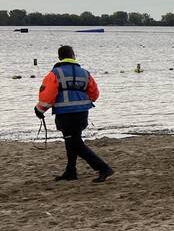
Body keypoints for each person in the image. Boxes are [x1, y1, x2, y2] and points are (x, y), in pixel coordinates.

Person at [34, 45, 114, 183]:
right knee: (71, 141)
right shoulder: (85, 73)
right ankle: (71, 171)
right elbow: (94, 94)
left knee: (75, 143)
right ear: (73, 56)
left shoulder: (54, 74)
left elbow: (48, 96)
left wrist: (39, 110)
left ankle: (103, 168)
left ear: (59, 57)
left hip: (66, 114)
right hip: (82, 113)